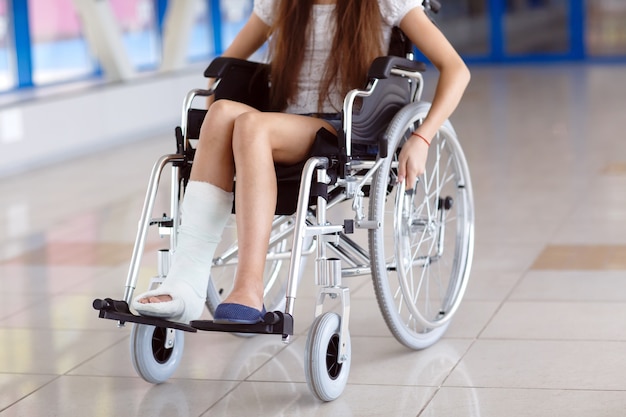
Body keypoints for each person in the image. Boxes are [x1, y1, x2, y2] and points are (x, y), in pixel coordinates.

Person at [132, 0, 470, 324]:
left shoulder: (383, 2)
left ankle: (249, 287)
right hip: (282, 122)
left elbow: (456, 70)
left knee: (252, 125)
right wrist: (214, 136)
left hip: (343, 128)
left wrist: (423, 137)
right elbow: (227, 65)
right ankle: (184, 283)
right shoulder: (282, 3)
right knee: (220, 111)